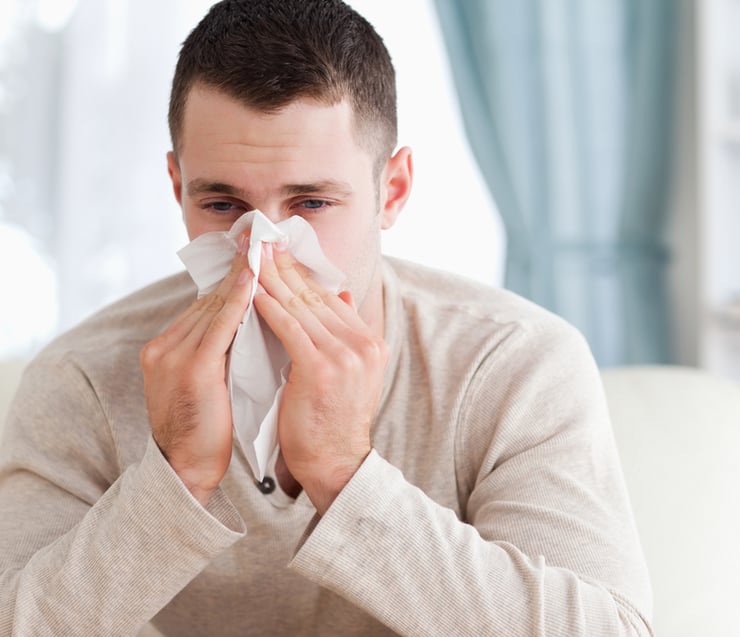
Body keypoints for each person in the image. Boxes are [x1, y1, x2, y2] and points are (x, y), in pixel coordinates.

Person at [0, 1, 653, 635]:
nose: (262, 250)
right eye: (224, 205)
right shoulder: (83, 377)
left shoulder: (513, 363)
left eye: (311, 202)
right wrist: (175, 476)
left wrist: (345, 474)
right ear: (178, 188)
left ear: (391, 191)